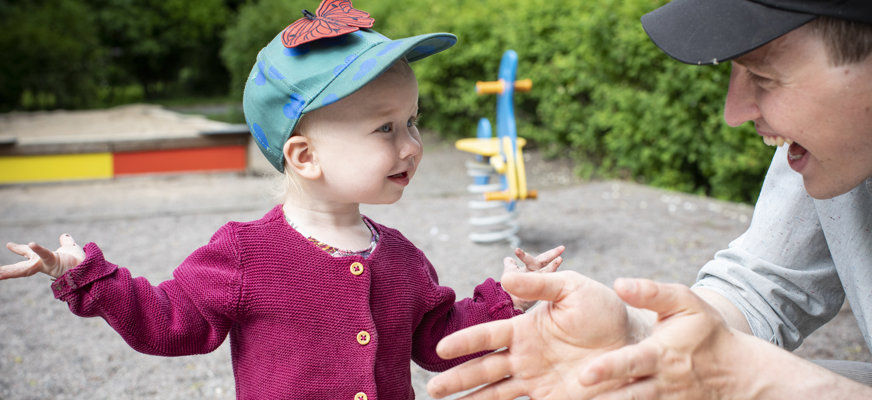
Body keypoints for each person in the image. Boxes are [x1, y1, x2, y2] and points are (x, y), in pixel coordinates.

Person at [0, 2, 564, 398]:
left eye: (413, 122)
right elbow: (171, 322)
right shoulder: (244, 255)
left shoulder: (402, 258)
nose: (413, 145)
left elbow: (437, 338)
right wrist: (88, 276)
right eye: (386, 129)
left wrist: (505, 298)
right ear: (304, 156)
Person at [426, 0, 872, 399]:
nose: (733, 113)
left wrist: (753, 380)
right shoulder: (831, 152)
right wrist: (640, 338)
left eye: (763, 75)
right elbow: (766, 287)